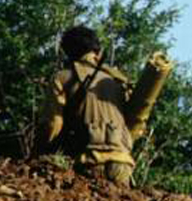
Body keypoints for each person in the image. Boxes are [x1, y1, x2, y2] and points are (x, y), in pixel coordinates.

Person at [38, 25, 136, 187]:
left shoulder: (63, 78)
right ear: (96, 50)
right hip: (122, 162)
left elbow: (53, 124)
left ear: (68, 51)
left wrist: (38, 153)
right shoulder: (119, 81)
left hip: (88, 162)